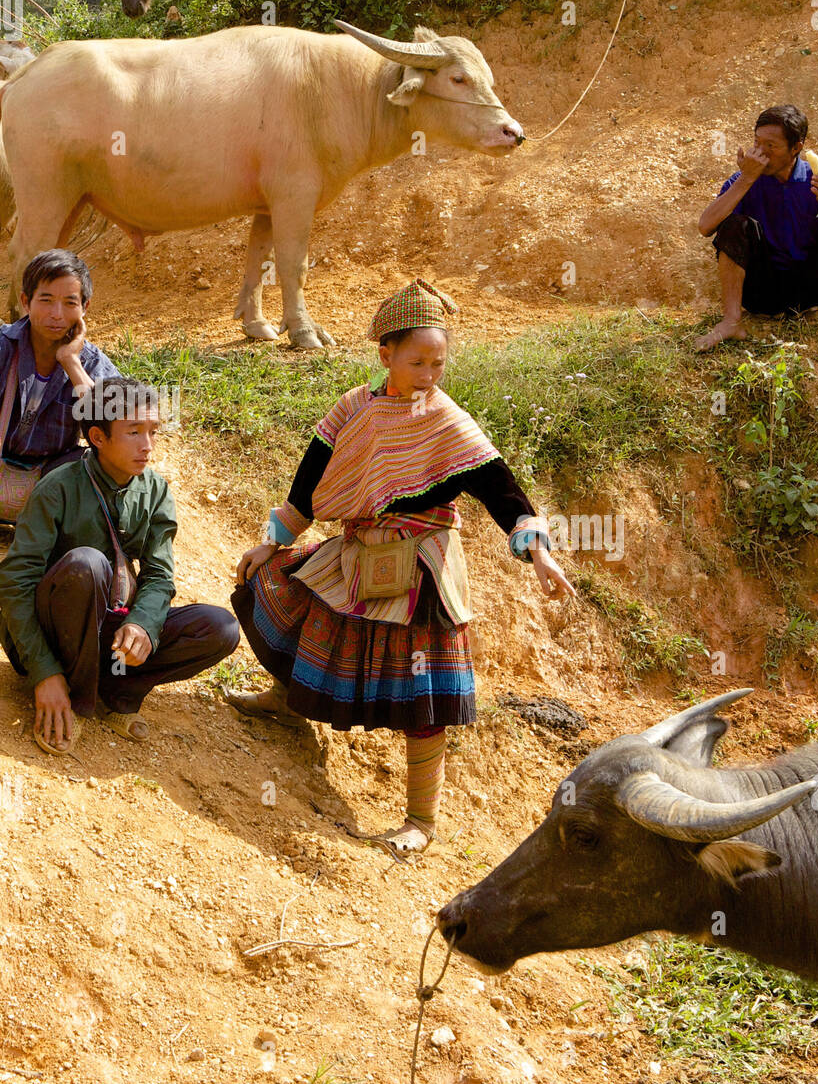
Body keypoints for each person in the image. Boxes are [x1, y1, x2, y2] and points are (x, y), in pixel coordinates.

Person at [228, 278, 576, 855]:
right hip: (360, 548)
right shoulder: (353, 409)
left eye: (439, 362)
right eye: (417, 361)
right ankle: (286, 704)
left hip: (423, 567)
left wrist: (535, 547)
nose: (429, 374)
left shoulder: (447, 421)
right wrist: (274, 538)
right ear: (385, 354)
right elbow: (311, 479)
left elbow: (499, 487)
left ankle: (421, 820)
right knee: (298, 599)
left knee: (422, 687)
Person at [0, 376, 241, 756]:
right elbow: (14, 581)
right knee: (86, 565)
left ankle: (115, 692)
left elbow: (159, 575)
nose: (148, 446)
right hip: (55, 632)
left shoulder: (155, 491)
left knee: (220, 628)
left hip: (109, 627)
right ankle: (70, 696)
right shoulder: (58, 488)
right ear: (98, 437)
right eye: (133, 432)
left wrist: (142, 622)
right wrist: (44, 671)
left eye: (153, 431)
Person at [0, 248, 119, 581]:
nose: (57, 314)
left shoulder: (93, 364)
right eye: (46, 300)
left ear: (85, 309)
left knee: (95, 455)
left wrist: (71, 363)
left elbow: (114, 433)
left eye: (70, 303)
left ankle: (43, 541)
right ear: (26, 302)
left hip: (47, 482)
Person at [696, 103, 818, 376]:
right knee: (733, 224)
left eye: (771, 146)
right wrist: (746, 180)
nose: (760, 153)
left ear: (796, 148)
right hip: (761, 291)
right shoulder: (744, 179)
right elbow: (705, 226)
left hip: (808, 292)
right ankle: (732, 321)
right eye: (757, 143)